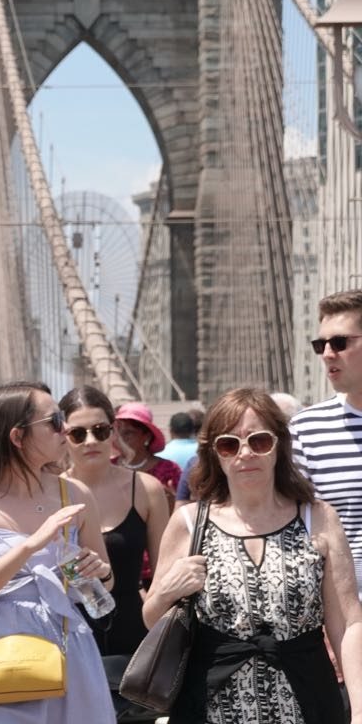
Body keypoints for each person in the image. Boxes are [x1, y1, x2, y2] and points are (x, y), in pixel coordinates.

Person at [145, 388, 362, 722]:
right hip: (210, 706)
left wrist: (360, 709)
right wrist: (167, 591)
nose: (245, 453)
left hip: (309, 702)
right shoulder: (188, 523)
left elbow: (348, 625)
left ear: (279, 446)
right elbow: (152, 619)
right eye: (229, 444)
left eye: (259, 441)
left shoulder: (318, 518)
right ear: (215, 454)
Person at [0, 381, 112, 723]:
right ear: (17, 437)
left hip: (67, 649)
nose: (64, 428)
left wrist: (98, 573)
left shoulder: (76, 494)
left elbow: (105, 584)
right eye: (53, 421)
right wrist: (32, 544)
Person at [59, 386, 169, 657]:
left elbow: (164, 572)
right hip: (69, 635)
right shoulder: (50, 492)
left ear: (113, 431)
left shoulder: (147, 489)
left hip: (134, 636)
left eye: (100, 430)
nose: (90, 441)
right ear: (63, 437)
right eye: (77, 433)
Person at [291, 289, 362, 600]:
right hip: (345, 618)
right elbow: (294, 530)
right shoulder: (306, 429)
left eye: (340, 343)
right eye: (321, 345)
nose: (327, 354)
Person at [113, 402, 182, 499]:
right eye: (118, 431)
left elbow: (184, 508)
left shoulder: (169, 470)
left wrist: (172, 501)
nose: (121, 437)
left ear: (147, 436)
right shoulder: (107, 467)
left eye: (128, 433)